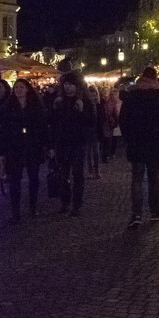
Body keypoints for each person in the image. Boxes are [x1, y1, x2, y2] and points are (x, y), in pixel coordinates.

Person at [119, 67, 159, 227]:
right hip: (155, 144)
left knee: (137, 179)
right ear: (155, 78)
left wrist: (129, 138)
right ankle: (155, 210)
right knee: (153, 178)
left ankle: (136, 214)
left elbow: (123, 120)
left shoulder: (132, 97)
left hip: (136, 144)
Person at [49, 71, 95, 216]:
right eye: (66, 84)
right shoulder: (59, 101)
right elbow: (52, 123)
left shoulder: (83, 101)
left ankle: (76, 204)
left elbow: (91, 122)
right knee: (63, 174)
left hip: (77, 142)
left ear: (77, 86)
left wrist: (81, 111)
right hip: (61, 142)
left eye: (71, 84)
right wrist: (54, 110)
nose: (68, 87)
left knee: (77, 174)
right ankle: (65, 202)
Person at [2, 78, 47, 222]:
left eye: (21, 87)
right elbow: (4, 129)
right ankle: (16, 211)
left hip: (32, 147)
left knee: (33, 178)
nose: (18, 90)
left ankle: (33, 207)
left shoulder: (35, 106)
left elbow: (42, 127)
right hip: (15, 148)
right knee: (15, 180)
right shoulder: (9, 107)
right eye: (16, 88)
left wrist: (44, 144)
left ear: (27, 89)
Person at [85, 85, 103, 178]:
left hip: (96, 130)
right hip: (88, 130)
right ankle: (90, 171)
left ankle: (97, 169)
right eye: (91, 95)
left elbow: (102, 118)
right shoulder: (86, 106)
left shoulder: (99, 105)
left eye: (94, 95)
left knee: (96, 152)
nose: (92, 97)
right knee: (88, 152)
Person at [104, 88, 122, 159]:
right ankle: (108, 153)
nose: (114, 95)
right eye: (113, 94)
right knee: (109, 138)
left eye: (116, 94)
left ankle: (113, 152)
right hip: (111, 122)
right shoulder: (109, 102)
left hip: (117, 122)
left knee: (115, 139)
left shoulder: (121, 102)